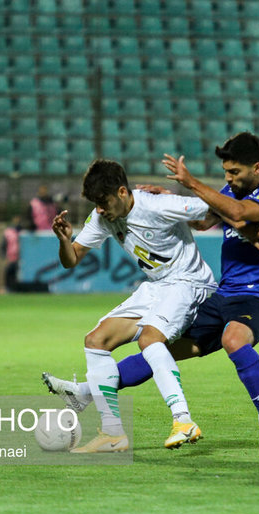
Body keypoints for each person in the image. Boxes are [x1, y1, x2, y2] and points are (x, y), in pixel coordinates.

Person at [46, 132, 259, 457]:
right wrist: (168, 200)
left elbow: (239, 212)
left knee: (227, 340)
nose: (228, 178)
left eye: (234, 172)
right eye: (226, 172)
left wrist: (189, 184)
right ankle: (88, 395)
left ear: (256, 167)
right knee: (157, 353)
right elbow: (205, 220)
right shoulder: (229, 193)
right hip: (220, 296)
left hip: (255, 296)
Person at [43, 159, 218, 453]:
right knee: (95, 340)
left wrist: (241, 218)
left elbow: (214, 208)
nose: (99, 209)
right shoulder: (102, 218)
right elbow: (71, 259)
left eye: (103, 202)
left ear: (122, 192)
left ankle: (183, 420)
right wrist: (64, 239)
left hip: (190, 283)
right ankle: (112, 433)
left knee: (150, 338)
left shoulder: (156, 206)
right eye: (95, 203)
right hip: (157, 287)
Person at [0, 215, 22, 291]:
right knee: (9, 273)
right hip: (11, 257)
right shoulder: (8, 232)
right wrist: (4, 255)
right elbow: (3, 244)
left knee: (18, 274)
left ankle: (17, 289)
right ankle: (8, 288)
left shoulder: (22, 231)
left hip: (21, 257)